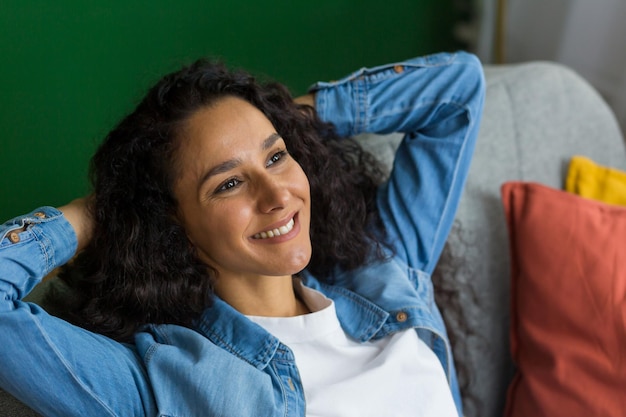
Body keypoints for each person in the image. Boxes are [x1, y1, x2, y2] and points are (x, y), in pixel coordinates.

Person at [0, 51, 485, 417]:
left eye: (276, 156)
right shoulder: (165, 380)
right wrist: (106, 210)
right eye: (229, 183)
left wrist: (288, 117)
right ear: (172, 222)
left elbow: (459, 89)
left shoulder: (380, 270)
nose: (277, 194)